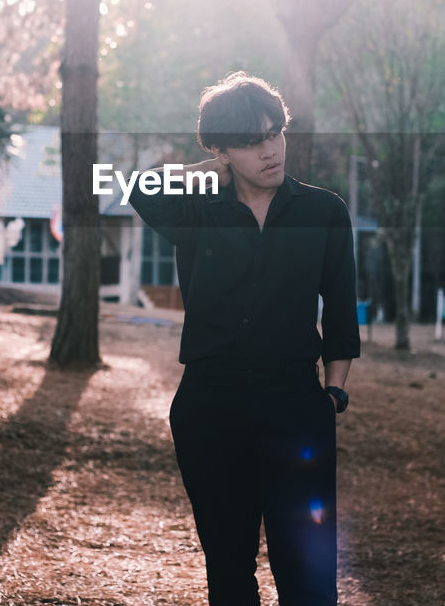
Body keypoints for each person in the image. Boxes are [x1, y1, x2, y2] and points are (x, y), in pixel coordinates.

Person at [128, 72, 360, 606]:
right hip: (211, 407)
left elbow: (341, 312)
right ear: (223, 149)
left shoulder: (324, 212)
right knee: (230, 572)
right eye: (251, 141)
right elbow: (134, 187)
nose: (271, 149)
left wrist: (333, 393)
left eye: (275, 133)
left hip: (296, 406)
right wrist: (210, 172)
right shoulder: (197, 209)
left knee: (308, 574)